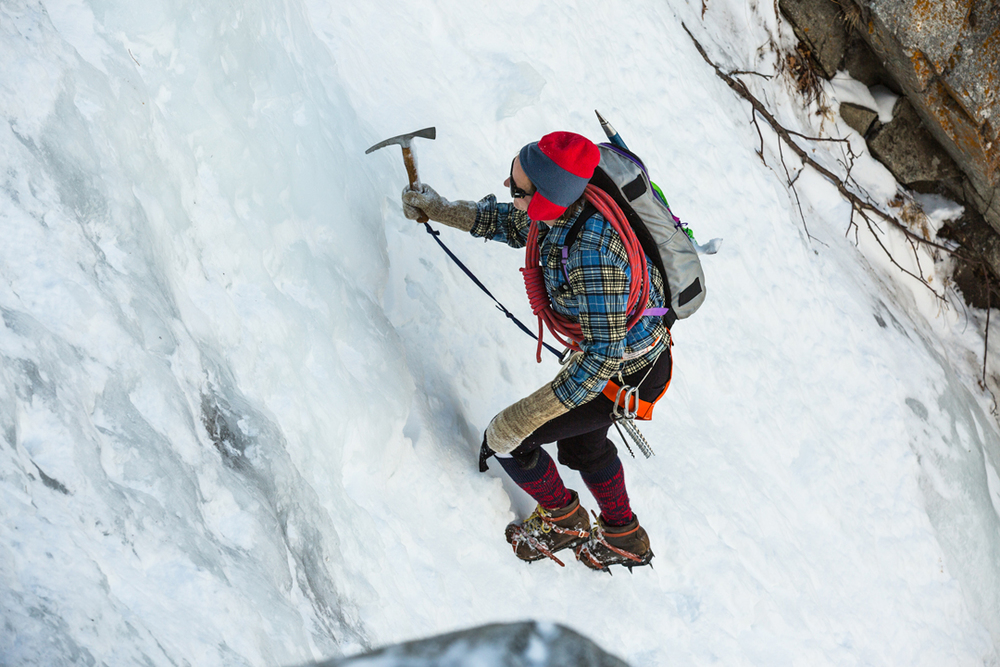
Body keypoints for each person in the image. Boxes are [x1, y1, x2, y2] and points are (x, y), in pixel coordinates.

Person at [401, 131, 672, 571]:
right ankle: (624, 535)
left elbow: (603, 355)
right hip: (615, 359)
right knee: (585, 447)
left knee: (509, 438)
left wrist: (535, 410)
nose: (509, 189)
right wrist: (442, 209)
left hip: (627, 373)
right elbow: (512, 223)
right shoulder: (562, 211)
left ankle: (562, 521)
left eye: (517, 187)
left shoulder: (593, 251)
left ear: (546, 197)